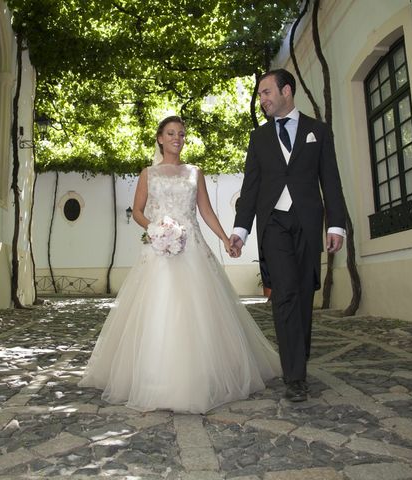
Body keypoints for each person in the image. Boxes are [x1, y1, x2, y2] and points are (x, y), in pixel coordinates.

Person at [79, 116, 281, 414]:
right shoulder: (148, 173)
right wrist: (155, 228)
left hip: (193, 249)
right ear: (160, 138)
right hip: (159, 251)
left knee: (199, 312)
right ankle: (155, 381)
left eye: (182, 133)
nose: (177, 138)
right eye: (171, 133)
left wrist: (226, 238)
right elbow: (136, 211)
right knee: (158, 312)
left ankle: (201, 378)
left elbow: (206, 211)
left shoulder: (194, 172)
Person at [230, 69, 346, 402]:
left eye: (267, 92)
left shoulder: (318, 132)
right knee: (284, 294)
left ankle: (299, 351)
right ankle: (295, 376)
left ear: (286, 91)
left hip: (308, 223)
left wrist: (335, 225)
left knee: (303, 291)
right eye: (261, 94)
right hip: (274, 226)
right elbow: (250, 189)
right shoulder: (259, 139)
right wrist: (241, 230)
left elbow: (331, 181)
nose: (262, 99)